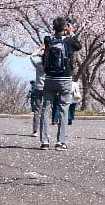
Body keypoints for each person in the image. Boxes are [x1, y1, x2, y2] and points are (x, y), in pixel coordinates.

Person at [38, 16, 83, 151]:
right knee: (64, 109)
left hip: (50, 78)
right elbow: (78, 46)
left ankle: (44, 142)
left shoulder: (48, 39)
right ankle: (60, 142)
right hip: (65, 79)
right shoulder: (69, 41)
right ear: (65, 27)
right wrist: (71, 33)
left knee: (46, 109)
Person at [28, 45, 45, 136]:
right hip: (48, 89)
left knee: (37, 110)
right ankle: (44, 131)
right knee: (46, 111)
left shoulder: (39, 64)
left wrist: (39, 49)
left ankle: (35, 131)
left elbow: (32, 56)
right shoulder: (51, 65)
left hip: (38, 88)